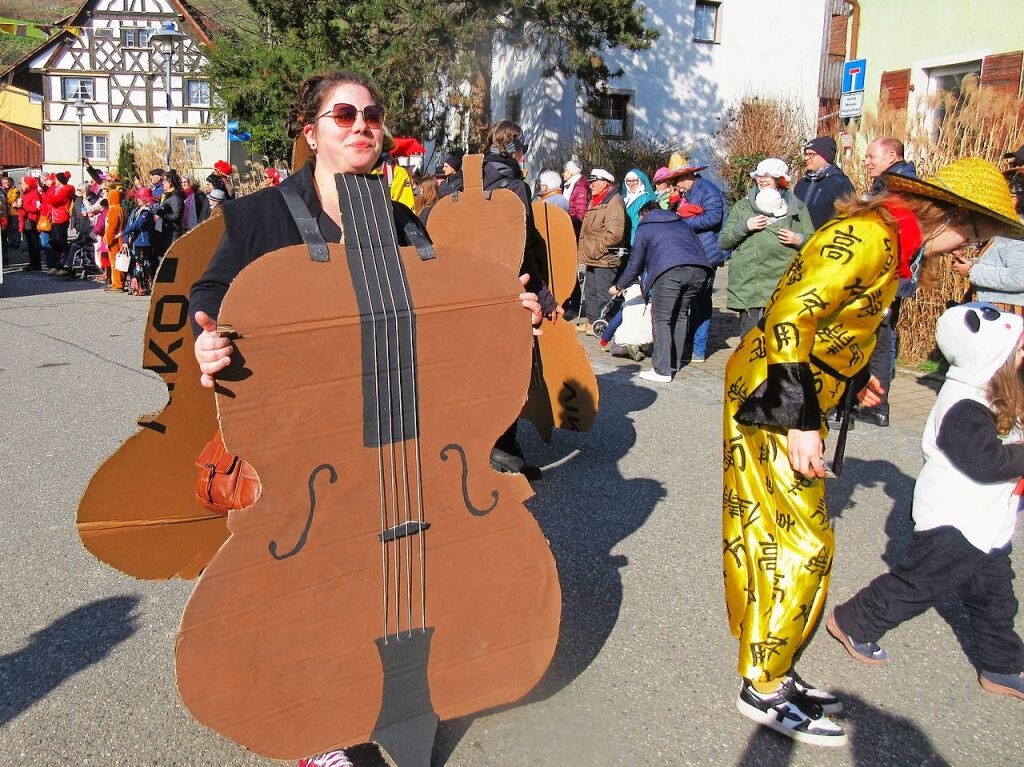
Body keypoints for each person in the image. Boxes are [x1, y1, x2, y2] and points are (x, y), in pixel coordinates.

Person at [190, 72, 544, 767]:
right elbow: (214, 291)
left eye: (372, 115)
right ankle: (319, 727)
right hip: (308, 437)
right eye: (344, 114)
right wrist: (210, 338)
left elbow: (448, 314)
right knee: (312, 584)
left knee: (391, 571)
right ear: (311, 130)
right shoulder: (260, 216)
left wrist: (509, 313)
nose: (361, 126)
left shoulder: (402, 218)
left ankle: (403, 690)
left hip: (399, 430)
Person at [722, 157, 1024, 746]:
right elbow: (788, 315)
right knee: (802, 542)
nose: (971, 250)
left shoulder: (891, 245)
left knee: (778, 536)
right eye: (974, 233)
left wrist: (855, 376)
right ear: (946, 215)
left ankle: (772, 669)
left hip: (787, 394)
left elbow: (835, 318)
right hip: (773, 399)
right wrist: (800, 418)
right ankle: (763, 684)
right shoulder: (866, 238)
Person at [828, 302, 1024, 702]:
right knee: (918, 585)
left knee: (996, 598)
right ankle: (855, 621)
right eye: (1018, 351)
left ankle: (1001, 665)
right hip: (954, 523)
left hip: (985, 523)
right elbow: (988, 464)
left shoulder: (989, 394)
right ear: (993, 357)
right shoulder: (963, 406)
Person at [610, 200, 712, 382]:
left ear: (643, 215)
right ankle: (674, 362)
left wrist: (619, 286)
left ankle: (662, 370)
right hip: (700, 270)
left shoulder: (645, 226)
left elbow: (635, 264)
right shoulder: (681, 222)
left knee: (661, 317)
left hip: (670, 271)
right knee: (680, 314)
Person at [857, 138, 919, 427]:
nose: (867, 161)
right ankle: (870, 401)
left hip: (889, 274)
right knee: (877, 336)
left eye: (872, 156)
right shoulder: (888, 183)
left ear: (892, 156)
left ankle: (875, 404)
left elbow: (900, 236)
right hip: (885, 272)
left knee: (879, 338)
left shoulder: (900, 187)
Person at [720, 158, 813, 338]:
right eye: (759, 176)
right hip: (750, 283)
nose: (762, 180)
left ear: (780, 179)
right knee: (750, 340)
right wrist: (745, 226)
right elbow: (724, 241)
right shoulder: (743, 206)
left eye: (768, 176)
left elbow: (813, 241)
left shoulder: (796, 207)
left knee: (781, 338)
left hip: (782, 283)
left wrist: (798, 239)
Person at [670, 162, 728, 363]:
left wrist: (684, 222)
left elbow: (714, 217)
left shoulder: (708, 190)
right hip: (693, 251)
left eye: (676, 181)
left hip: (707, 253)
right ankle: (688, 342)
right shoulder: (689, 192)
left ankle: (699, 349)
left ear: (687, 177)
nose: (675, 186)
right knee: (691, 300)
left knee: (702, 302)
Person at [953, 171, 1024, 315]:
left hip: (1006, 314)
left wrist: (972, 270)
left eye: (1004, 196)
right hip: (998, 311)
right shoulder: (1010, 227)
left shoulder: (1018, 232)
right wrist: (969, 262)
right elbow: (1000, 262)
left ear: (1017, 199)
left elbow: (1019, 277)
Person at [577, 168, 628, 332]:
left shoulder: (614, 202)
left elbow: (615, 234)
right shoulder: (597, 200)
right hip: (592, 257)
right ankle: (592, 322)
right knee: (590, 292)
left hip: (605, 258)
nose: (590, 186)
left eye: (593, 183)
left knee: (602, 294)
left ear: (604, 183)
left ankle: (604, 325)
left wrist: (597, 250)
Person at [793, 136, 855, 229]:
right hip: (797, 240)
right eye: (805, 154)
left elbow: (848, 219)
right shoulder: (802, 183)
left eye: (811, 154)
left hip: (824, 240)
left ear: (825, 156)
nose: (806, 158)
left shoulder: (840, 183)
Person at [47, 172, 76, 276]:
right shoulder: (57, 188)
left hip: (61, 217)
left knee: (61, 241)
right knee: (55, 242)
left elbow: (54, 200)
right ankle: (57, 264)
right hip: (54, 218)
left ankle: (66, 264)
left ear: (59, 180)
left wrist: (48, 189)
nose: (54, 181)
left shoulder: (66, 189)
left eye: (56, 180)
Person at [621, 169, 655, 243]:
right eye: (628, 181)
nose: (631, 184)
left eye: (634, 181)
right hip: (625, 239)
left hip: (637, 239)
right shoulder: (625, 199)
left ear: (640, 181)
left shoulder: (645, 198)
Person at [17, 175, 43, 272]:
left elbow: (37, 208)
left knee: (33, 243)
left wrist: (23, 206)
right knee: (30, 243)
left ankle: (36, 264)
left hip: (31, 220)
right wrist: (17, 206)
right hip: (25, 220)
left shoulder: (34, 193)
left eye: (23, 183)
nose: (22, 185)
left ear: (28, 185)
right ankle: (32, 263)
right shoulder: (24, 193)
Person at [104, 188, 126, 292]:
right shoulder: (121, 208)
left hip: (114, 241)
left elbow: (111, 227)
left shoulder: (113, 209)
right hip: (120, 238)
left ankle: (117, 284)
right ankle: (119, 282)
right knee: (120, 262)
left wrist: (108, 240)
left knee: (115, 263)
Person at [562, 158, 589, 235]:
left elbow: (581, 214)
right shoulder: (569, 185)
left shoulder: (580, 187)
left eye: (565, 171)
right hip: (570, 225)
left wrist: (568, 222)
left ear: (571, 172)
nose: (563, 173)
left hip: (575, 229)